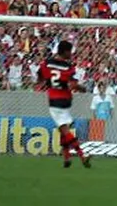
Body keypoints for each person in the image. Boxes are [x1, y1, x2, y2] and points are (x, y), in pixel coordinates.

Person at [40, 40, 91, 168]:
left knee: (64, 129)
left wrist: (49, 84)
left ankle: (77, 156)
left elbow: (40, 77)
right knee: (64, 130)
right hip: (65, 100)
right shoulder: (68, 67)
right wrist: (82, 88)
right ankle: (74, 157)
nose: (71, 54)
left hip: (54, 100)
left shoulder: (47, 63)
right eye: (70, 52)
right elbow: (73, 84)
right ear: (66, 52)